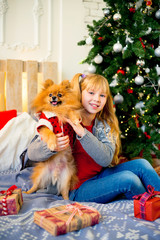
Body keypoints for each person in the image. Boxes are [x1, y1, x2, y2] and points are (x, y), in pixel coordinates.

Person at [26, 73, 160, 203]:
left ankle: (155, 201)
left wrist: (83, 133)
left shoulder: (104, 124)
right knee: (129, 179)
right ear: (79, 93)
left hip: (100, 175)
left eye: (102, 95)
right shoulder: (63, 118)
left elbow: (106, 159)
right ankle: (152, 205)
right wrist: (52, 146)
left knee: (142, 164)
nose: (97, 99)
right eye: (91, 93)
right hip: (76, 188)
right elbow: (32, 153)